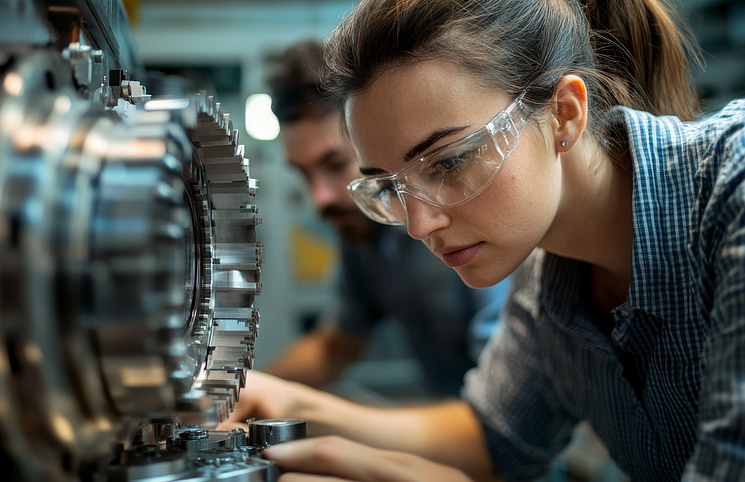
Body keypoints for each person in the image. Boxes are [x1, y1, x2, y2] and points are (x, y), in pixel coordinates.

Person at [221, 0, 745, 480]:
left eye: (449, 161)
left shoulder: (733, 187)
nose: (419, 225)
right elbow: (493, 437)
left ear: (564, 112)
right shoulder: (547, 281)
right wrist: (286, 404)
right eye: (390, 188)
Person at [261, 38, 509, 398]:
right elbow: (337, 345)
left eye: (335, 165)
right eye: (304, 174)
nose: (320, 198)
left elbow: (504, 413)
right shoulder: (365, 233)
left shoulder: (464, 222)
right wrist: (233, 394)